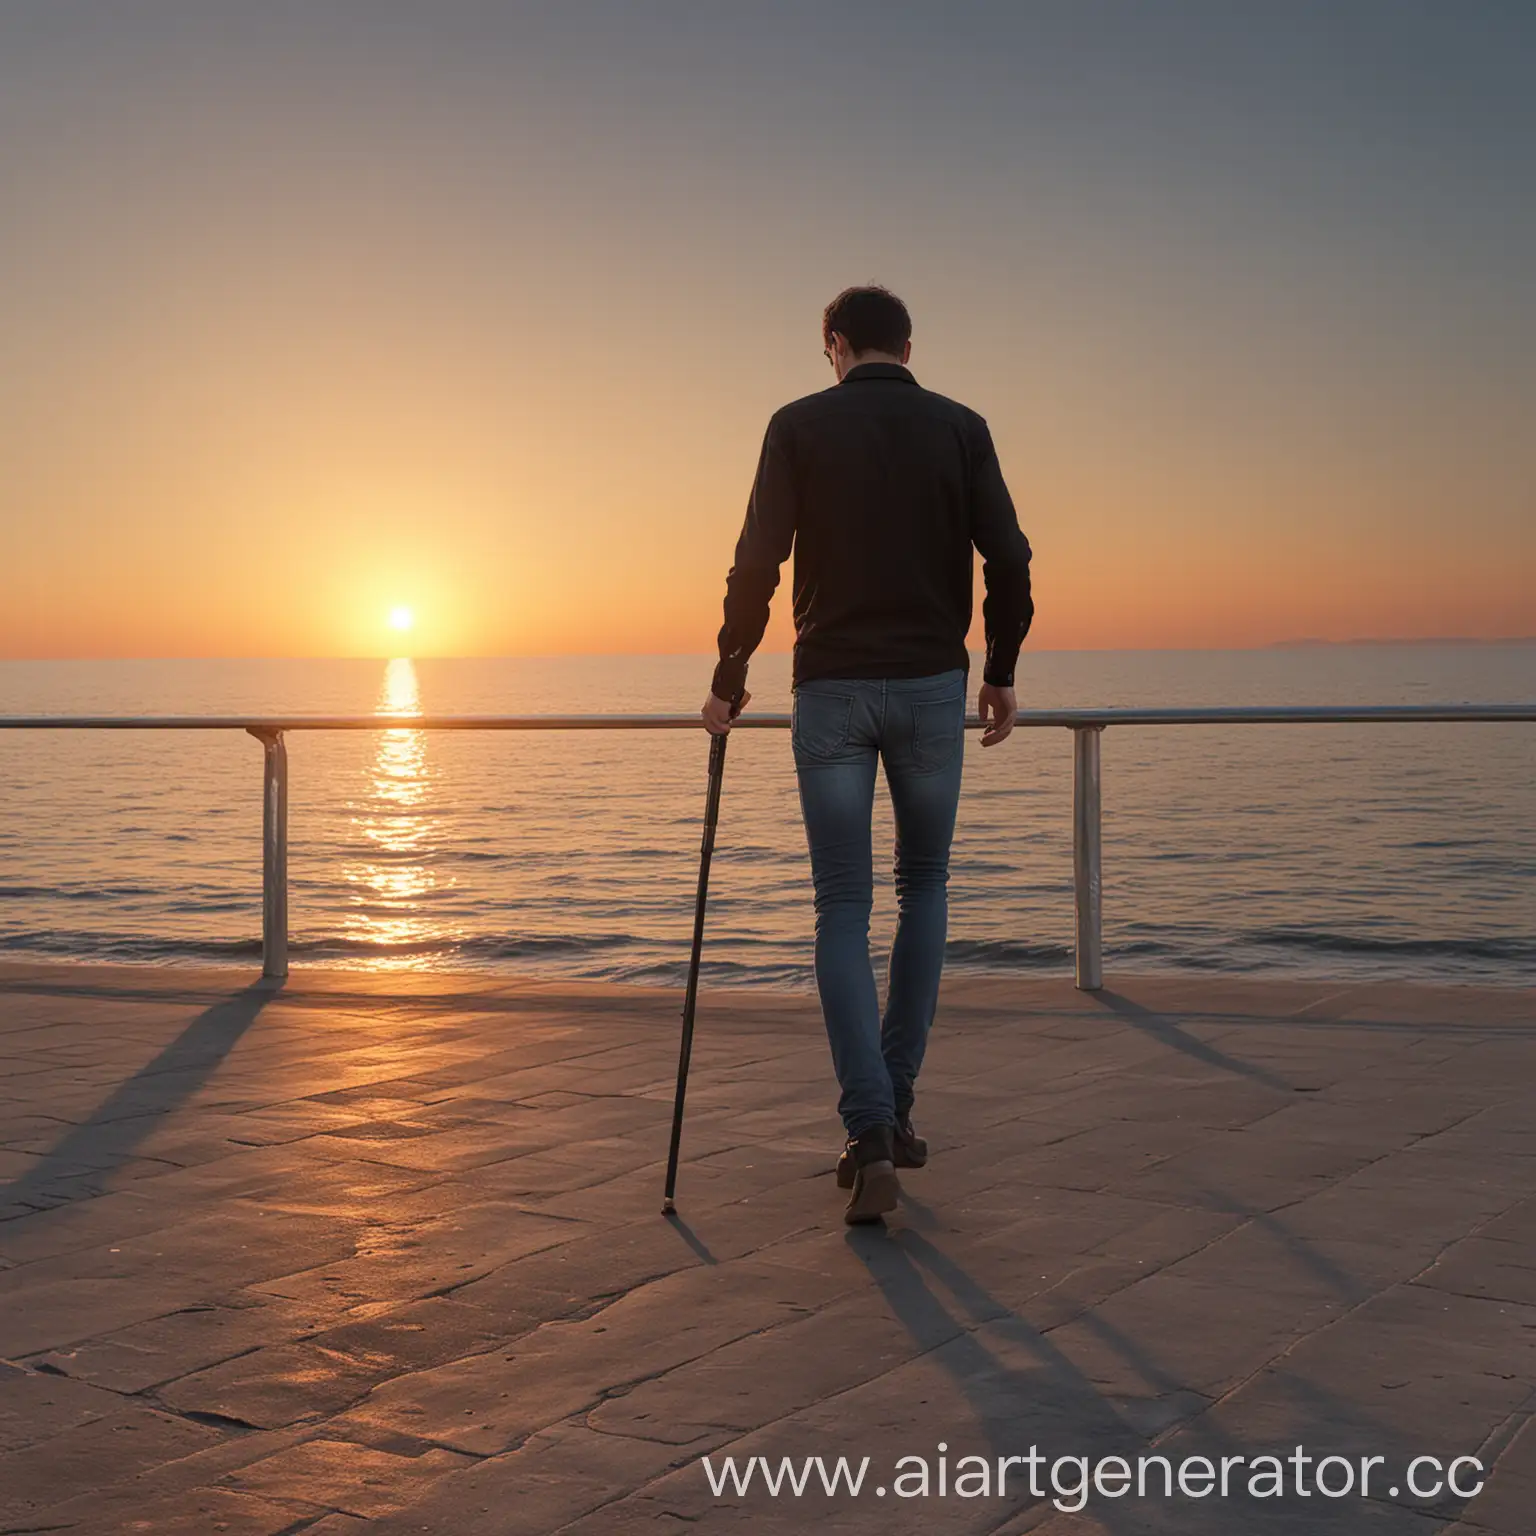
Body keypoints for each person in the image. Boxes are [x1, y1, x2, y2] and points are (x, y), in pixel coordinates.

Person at [701, 285, 1033, 1224]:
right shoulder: (961, 427)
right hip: (932, 688)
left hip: (834, 691)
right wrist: (1000, 669)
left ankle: (869, 1124)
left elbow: (757, 560)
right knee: (924, 886)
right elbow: (1008, 559)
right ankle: (895, 1106)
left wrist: (729, 675)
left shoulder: (798, 426)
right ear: (910, 345)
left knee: (840, 905)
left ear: (836, 346)